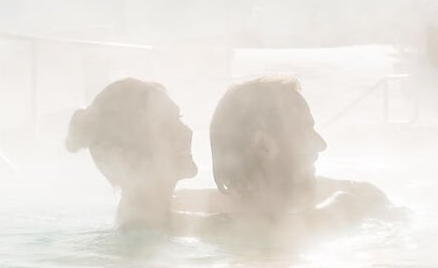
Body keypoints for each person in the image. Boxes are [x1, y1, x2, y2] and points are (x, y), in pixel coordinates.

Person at [208, 76, 391, 233]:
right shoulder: (347, 206)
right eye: (305, 130)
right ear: (263, 145)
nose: (321, 145)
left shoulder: (364, 198)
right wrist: (335, 210)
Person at [66, 77, 218, 234]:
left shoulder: (152, 221)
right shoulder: (139, 239)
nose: (186, 132)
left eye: (178, 118)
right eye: (165, 125)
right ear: (122, 158)